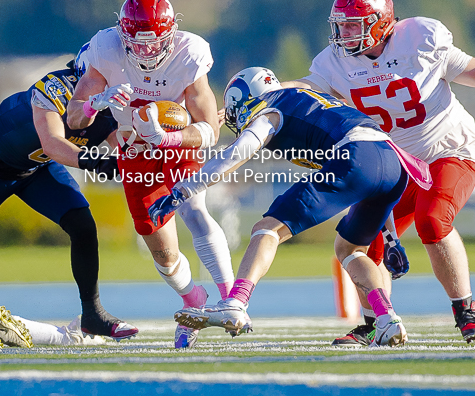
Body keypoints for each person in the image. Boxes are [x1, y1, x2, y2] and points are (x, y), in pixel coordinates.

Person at [280, 0, 475, 345]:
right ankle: (375, 322)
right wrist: (265, 94)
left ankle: (466, 311)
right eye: (342, 25)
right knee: (361, 241)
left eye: (354, 24)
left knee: (433, 219)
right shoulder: (335, 61)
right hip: (394, 164)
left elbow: (472, 69)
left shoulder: (419, 38)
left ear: (381, 23)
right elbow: (305, 87)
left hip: (447, 149)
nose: (345, 33)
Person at [151, 67, 432, 346]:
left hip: (356, 154)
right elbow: (372, 168)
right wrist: (390, 237)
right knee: (349, 250)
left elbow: (238, 152)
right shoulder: (304, 97)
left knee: (266, 229)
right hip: (393, 162)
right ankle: (387, 318)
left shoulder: (271, 108)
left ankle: (236, 301)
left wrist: (184, 189)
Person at [0, 50, 139, 343]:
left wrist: (156, 149)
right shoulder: (55, 89)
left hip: (35, 169)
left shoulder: (110, 103)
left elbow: (125, 150)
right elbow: (54, 145)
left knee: (82, 224)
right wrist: (99, 162)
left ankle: (92, 314)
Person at [66, 0, 235, 348]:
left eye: (154, 42)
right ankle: (194, 302)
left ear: (172, 33)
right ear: (122, 35)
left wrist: (165, 138)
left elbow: (209, 131)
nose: (146, 50)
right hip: (135, 150)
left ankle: (231, 300)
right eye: (137, 43)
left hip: (179, 140)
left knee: (192, 207)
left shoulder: (190, 52)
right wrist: (97, 100)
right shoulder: (106, 49)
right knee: (160, 247)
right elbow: (75, 117)